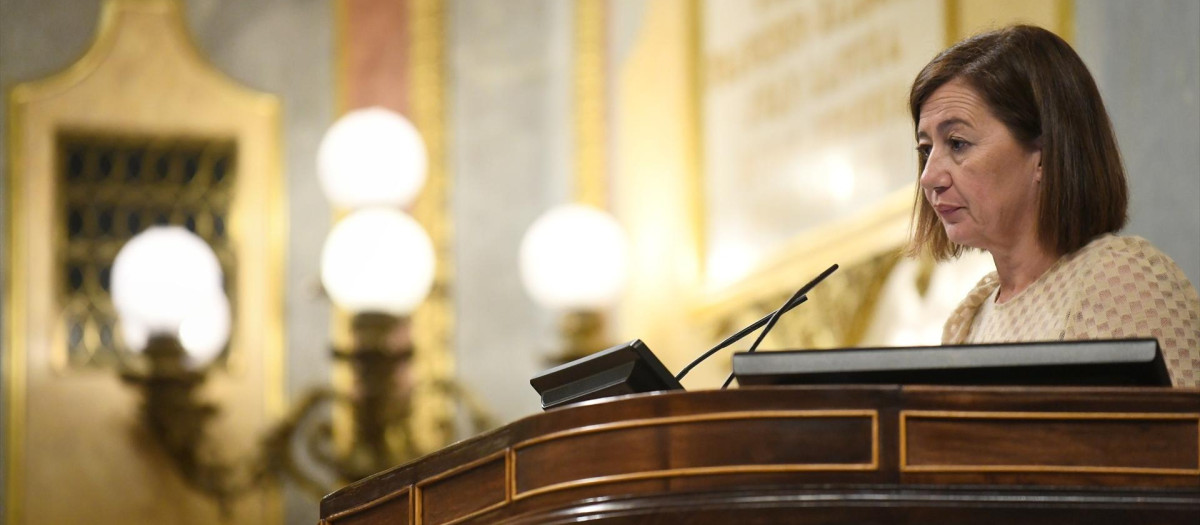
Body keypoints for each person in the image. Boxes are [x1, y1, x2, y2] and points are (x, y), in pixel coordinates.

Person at [907, 25, 1200, 387]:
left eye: (957, 143)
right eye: (926, 150)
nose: (929, 177)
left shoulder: (1122, 282)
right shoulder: (967, 322)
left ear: (1044, 154)